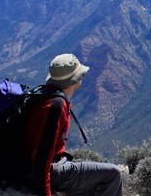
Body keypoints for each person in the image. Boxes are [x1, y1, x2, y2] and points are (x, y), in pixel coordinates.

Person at [23, 53, 122, 196]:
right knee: (113, 174)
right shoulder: (56, 106)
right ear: (74, 80)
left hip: (34, 168)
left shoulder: (45, 95)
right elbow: (42, 158)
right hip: (51, 171)